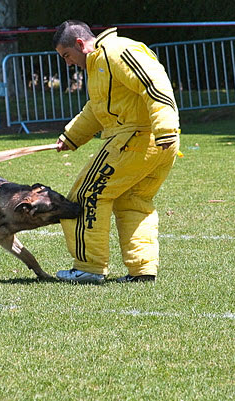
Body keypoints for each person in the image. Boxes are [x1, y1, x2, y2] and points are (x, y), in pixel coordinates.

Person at [53, 20, 180, 283]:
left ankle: (89, 267)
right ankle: (142, 271)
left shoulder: (117, 51)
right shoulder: (100, 64)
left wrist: (166, 127)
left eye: (66, 55)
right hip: (151, 141)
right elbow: (96, 109)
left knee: (85, 195)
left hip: (135, 139)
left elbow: (154, 84)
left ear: (80, 44)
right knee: (132, 201)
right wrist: (71, 137)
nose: (68, 63)